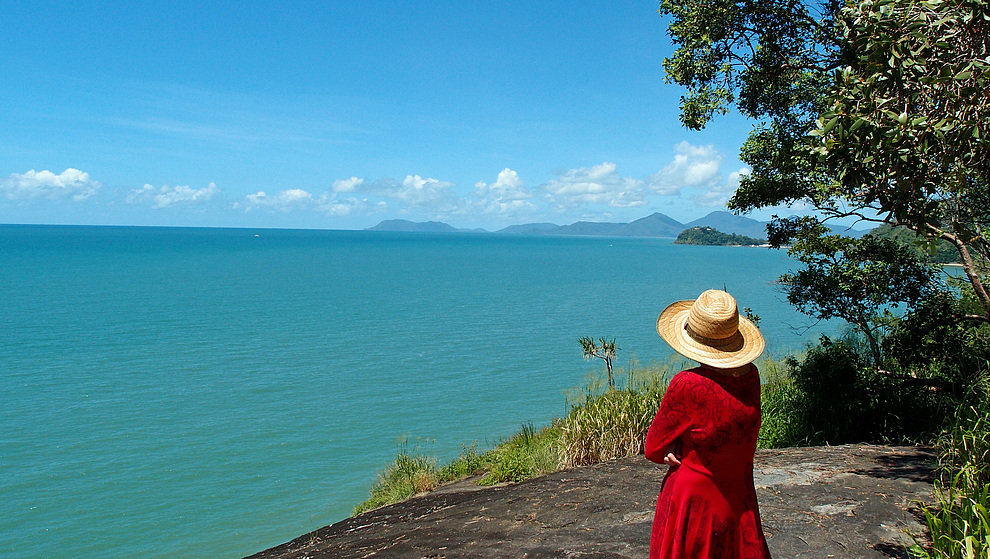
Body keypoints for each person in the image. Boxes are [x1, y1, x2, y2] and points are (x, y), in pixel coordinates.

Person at [644, 289, 772, 558]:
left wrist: (676, 445)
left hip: (695, 501)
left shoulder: (688, 384)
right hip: (739, 496)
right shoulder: (751, 376)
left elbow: (653, 448)